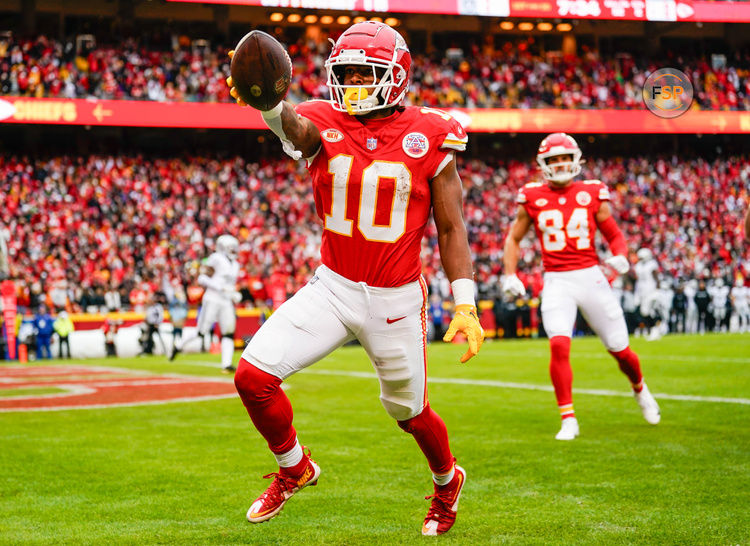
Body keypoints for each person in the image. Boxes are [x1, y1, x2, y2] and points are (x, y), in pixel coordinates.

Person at [225, 21, 484, 536]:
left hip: (395, 299)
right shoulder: (322, 119)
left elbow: (451, 227)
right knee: (252, 377)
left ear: (396, 75)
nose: (353, 85)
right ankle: (296, 468)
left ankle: (446, 480)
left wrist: (466, 302)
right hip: (334, 286)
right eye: (344, 74)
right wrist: (270, 105)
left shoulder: (431, 132)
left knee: (410, 414)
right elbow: (296, 129)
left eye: (365, 74)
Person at [502, 132, 660, 441]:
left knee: (620, 350)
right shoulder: (532, 196)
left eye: (565, 158)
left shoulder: (592, 192)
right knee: (559, 345)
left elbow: (613, 233)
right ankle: (568, 418)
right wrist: (510, 273)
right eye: (554, 159)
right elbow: (514, 238)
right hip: (556, 280)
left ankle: (640, 389)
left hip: (590, 276)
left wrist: (620, 255)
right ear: (543, 164)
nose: (560, 164)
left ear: (575, 160)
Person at [170, 234, 241, 373]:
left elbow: (230, 284)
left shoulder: (236, 264)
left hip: (226, 300)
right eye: (230, 248)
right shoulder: (216, 259)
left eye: (234, 248)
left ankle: (226, 365)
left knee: (228, 332)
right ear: (223, 248)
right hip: (213, 298)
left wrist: (233, 293)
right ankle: (178, 345)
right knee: (201, 332)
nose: (233, 251)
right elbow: (202, 278)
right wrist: (220, 287)